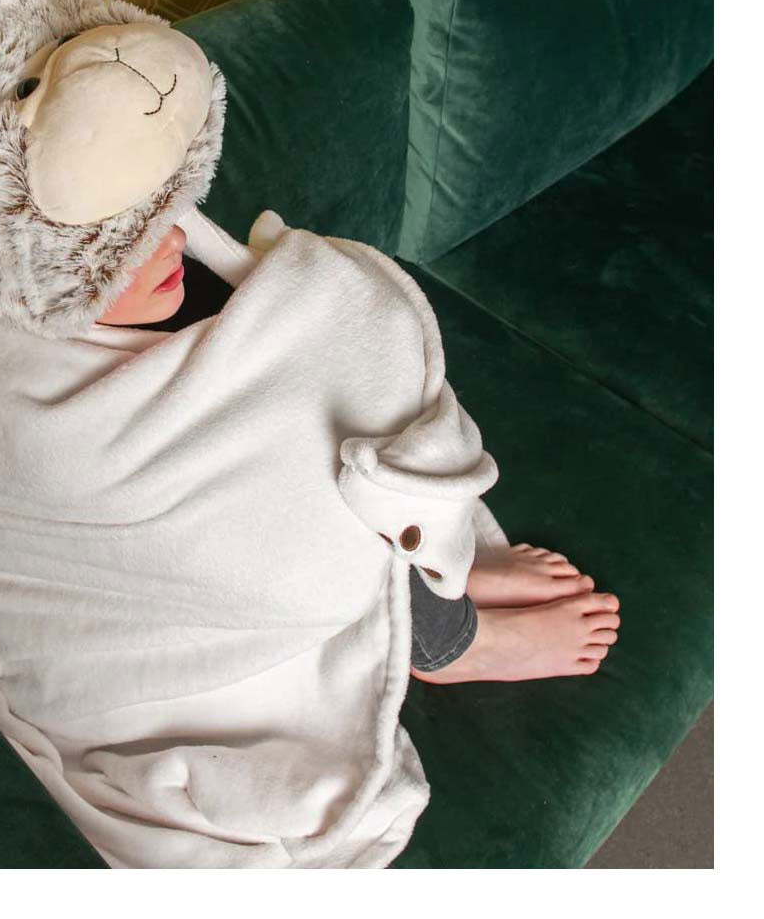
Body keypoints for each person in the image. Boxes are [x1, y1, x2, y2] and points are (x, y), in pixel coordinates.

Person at [99, 222, 622, 683]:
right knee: (314, 479)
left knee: (361, 405)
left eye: (160, 212)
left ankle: (438, 574)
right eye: (121, 244)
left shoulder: (174, 267)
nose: (174, 236)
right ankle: (444, 644)